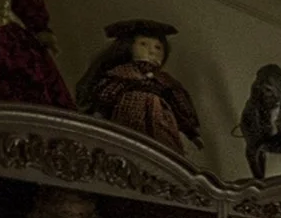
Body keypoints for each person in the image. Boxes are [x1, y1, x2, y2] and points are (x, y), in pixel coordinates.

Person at [74, 19, 202, 156]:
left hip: (162, 126)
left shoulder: (166, 82)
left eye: (158, 47)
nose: (152, 51)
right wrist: (97, 117)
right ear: (128, 47)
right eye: (143, 44)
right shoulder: (121, 73)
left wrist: (191, 133)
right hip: (127, 120)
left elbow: (179, 106)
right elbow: (105, 98)